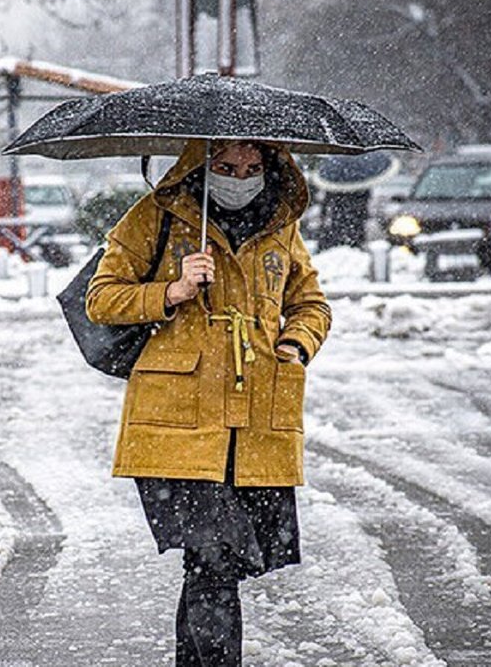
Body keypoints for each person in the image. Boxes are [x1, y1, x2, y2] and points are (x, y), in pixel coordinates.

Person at [84, 138, 332, 665]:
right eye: (224, 166)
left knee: (213, 565)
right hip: (177, 424)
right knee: (214, 559)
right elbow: (100, 299)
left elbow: (311, 303)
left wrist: (294, 345)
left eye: (250, 166)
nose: (238, 177)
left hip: (255, 426)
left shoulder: (280, 226)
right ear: (201, 165)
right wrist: (170, 292)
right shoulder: (159, 216)